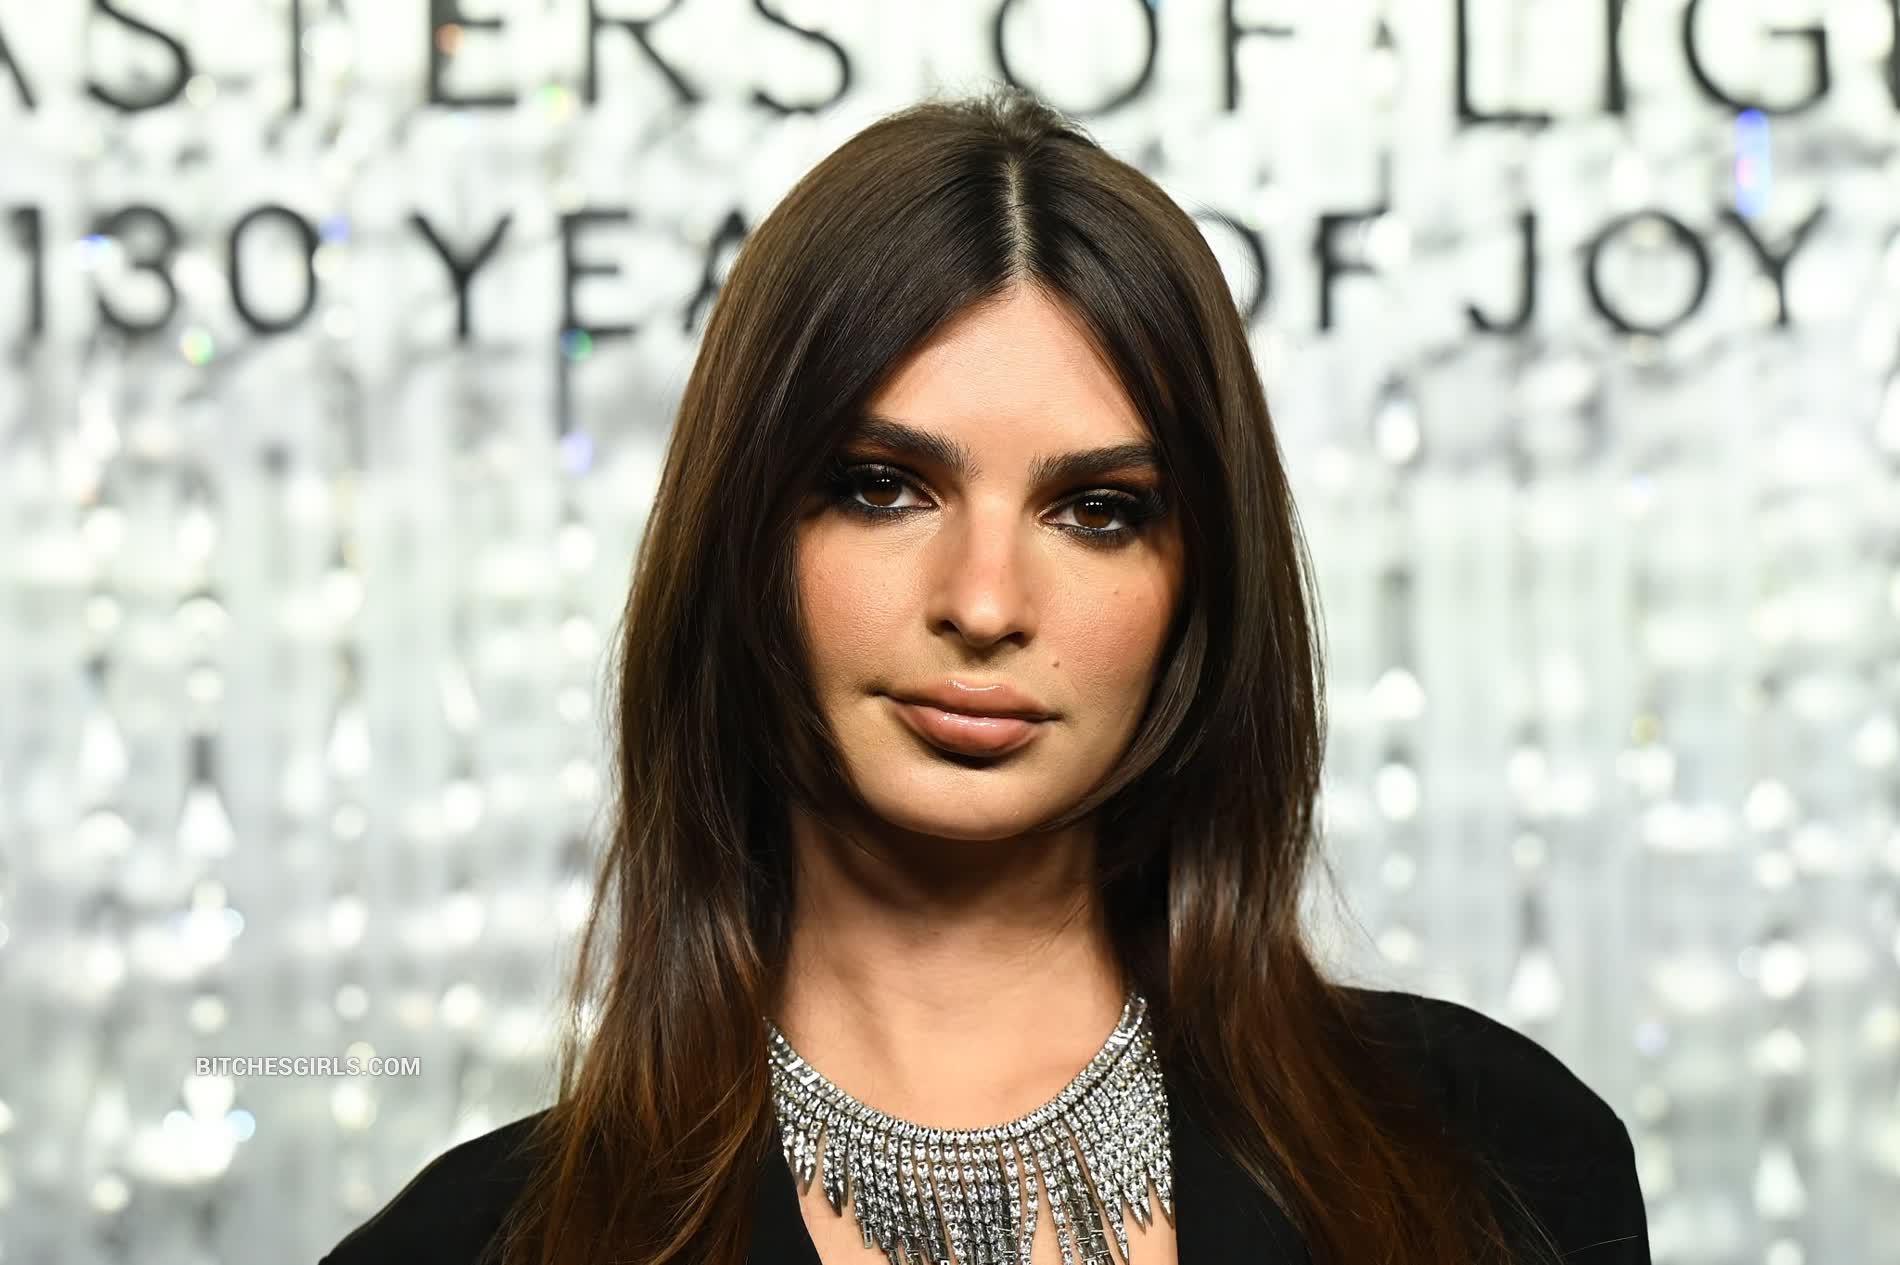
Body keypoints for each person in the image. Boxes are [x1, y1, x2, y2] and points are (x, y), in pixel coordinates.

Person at [320, 86, 1650, 1265]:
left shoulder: (1495, 1158)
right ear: (745, 535)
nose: (985, 604)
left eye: (1098, 511)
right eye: (881, 487)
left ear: (1200, 583)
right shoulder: (471, 1247)